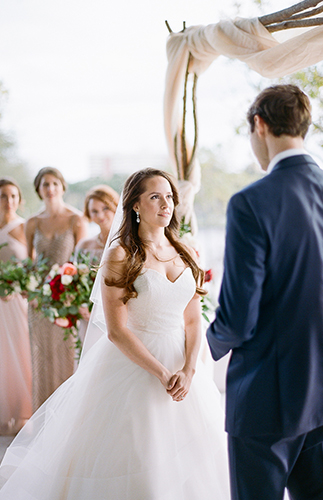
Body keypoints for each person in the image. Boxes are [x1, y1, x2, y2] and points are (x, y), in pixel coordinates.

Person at [0, 168, 230, 500]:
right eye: (155, 197)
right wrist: (163, 373)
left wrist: (189, 370)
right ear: (135, 205)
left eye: (169, 197)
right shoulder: (120, 255)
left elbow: (193, 322)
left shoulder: (185, 252)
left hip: (184, 366)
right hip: (135, 365)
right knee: (137, 454)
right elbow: (117, 331)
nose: (165, 204)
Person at [207, 84, 323, 500]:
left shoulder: (251, 203)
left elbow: (238, 319)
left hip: (266, 399)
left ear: (260, 124)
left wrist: (200, 350)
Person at [25, 167, 87, 411]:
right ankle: (42, 415)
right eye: (44, 185)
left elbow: (81, 261)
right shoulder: (32, 222)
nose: (50, 189)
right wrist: (27, 288)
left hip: (67, 298)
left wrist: (74, 294)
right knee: (41, 357)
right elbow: (31, 263)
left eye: (54, 184)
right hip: (39, 301)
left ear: (62, 186)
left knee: (66, 354)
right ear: (39, 190)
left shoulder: (76, 219)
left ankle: (68, 414)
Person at [0, 178, 32, 435]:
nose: (8, 201)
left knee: (21, 353)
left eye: (13, 196)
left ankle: (22, 411)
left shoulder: (24, 226)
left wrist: (20, 286)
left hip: (17, 302)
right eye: (2, 196)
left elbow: (35, 265)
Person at [75, 184, 119, 346]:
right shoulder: (84, 245)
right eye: (94, 211)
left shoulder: (127, 243)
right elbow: (76, 281)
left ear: (115, 207)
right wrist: (80, 304)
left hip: (118, 313)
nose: (100, 215)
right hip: (89, 314)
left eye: (105, 208)